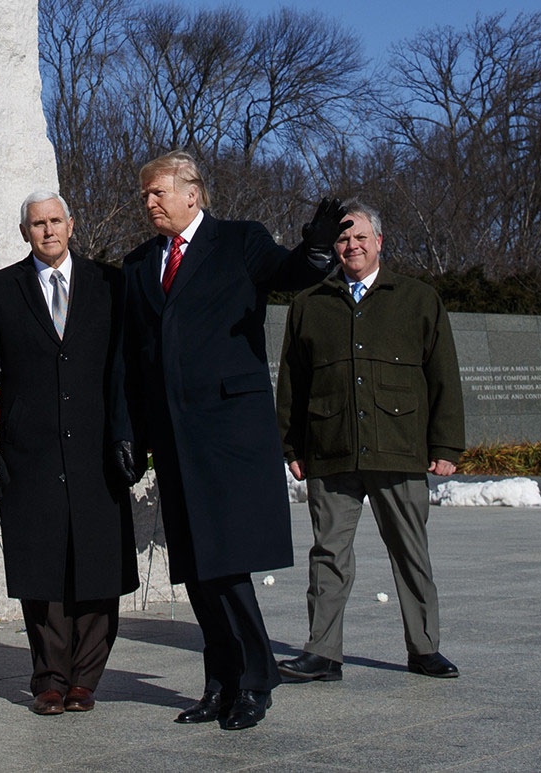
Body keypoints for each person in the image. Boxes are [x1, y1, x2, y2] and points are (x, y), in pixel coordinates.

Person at [110, 150, 348, 730]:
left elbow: (290, 273)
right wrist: (128, 432)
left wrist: (318, 251)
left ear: (192, 193)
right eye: (144, 195)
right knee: (195, 567)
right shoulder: (140, 263)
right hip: (173, 438)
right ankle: (220, 682)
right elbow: (130, 359)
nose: (149, 203)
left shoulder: (240, 240)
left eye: (158, 192)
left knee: (227, 562)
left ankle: (255, 678)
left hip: (229, 433)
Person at [275, 199, 464, 682]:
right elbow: (292, 381)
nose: (352, 246)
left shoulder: (418, 298)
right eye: (343, 238)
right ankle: (323, 652)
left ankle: (424, 648)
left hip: (398, 447)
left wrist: (446, 446)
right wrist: (292, 447)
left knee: (411, 552)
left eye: (360, 237)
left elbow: (443, 374)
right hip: (331, 448)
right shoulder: (309, 303)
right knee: (328, 554)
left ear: (379, 241)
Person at [0, 191, 137, 716]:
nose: (48, 231)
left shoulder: (109, 284)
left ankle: (85, 679)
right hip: (31, 453)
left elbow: (125, 367)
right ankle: (49, 680)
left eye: (56, 221)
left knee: (98, 566)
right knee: (42, 569)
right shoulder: (0, 290)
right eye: (37, 224)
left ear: (71, 225)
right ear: (25, 233)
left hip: (97, 451)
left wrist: (130, 436)